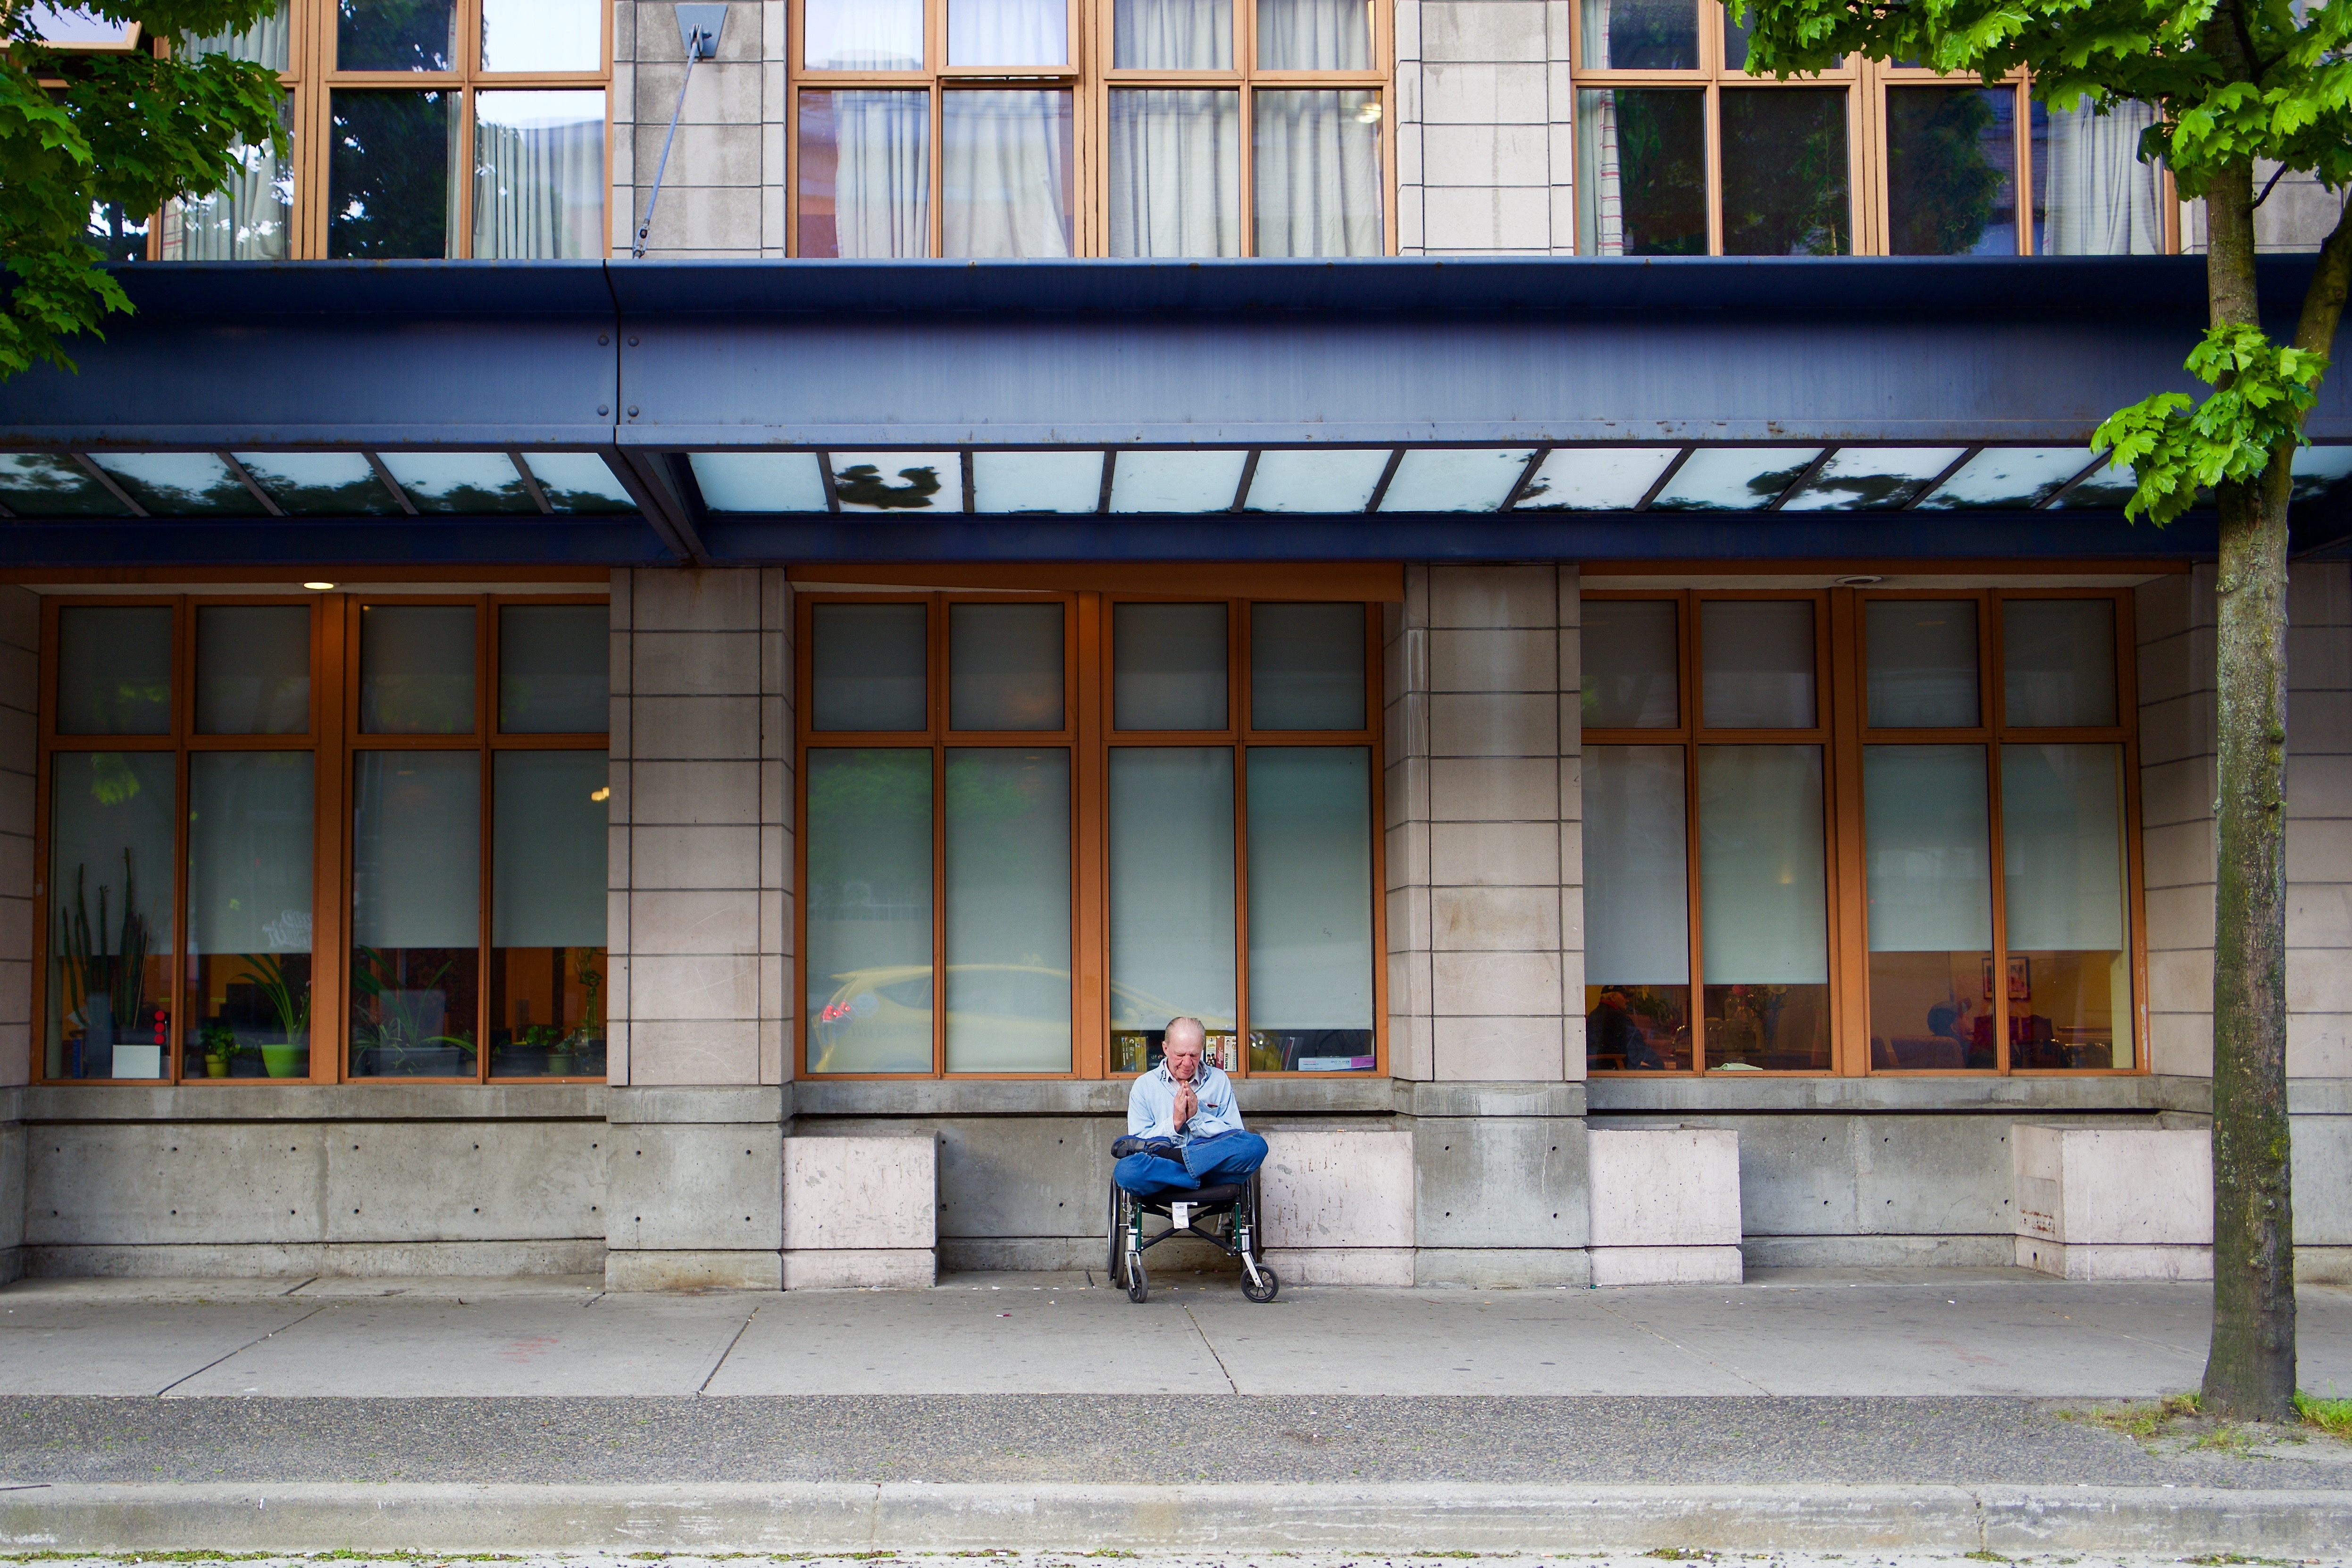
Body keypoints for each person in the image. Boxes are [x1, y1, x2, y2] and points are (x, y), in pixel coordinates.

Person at [1114, 1016, 1269, 1200]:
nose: (1187, 1064)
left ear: (1202, 1050)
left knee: (1255, 1146)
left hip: (1199, 1168)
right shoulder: (1144, 1085)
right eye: (1180, 1055)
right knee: (1126, 1171)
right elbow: (1138, 1143)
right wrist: (1175, 1123)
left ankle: (1183, 1167)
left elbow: (1235, 1135)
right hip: (1170, 1170)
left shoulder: (1218, 1080)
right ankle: (1191, 1171)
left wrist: (1197, 1118)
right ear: (1165, 1049)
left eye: (1194, 1055)